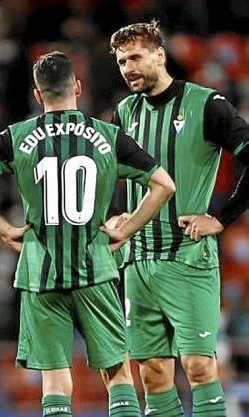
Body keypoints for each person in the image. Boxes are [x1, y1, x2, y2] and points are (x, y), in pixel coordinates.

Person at [0, 50, 175, 417]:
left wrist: (4, 229)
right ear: (78, 87)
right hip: (96, 269)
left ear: (38, 95)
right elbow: (164, 186)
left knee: (55, 381)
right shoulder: (108, 135)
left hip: (41, 273)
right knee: (118, 372)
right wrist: (127, 228)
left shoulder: (16, 137)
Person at [109, 21, 249, 416]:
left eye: (135, 57)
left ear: (159, 54)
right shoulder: (124, 111)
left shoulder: (207, 104)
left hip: (188, 258)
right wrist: (115, 216)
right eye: (121, 62)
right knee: (153, 373)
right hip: (138, 262)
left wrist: (220, 219)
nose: (128, 68)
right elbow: (113, 175)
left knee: (200, 366)